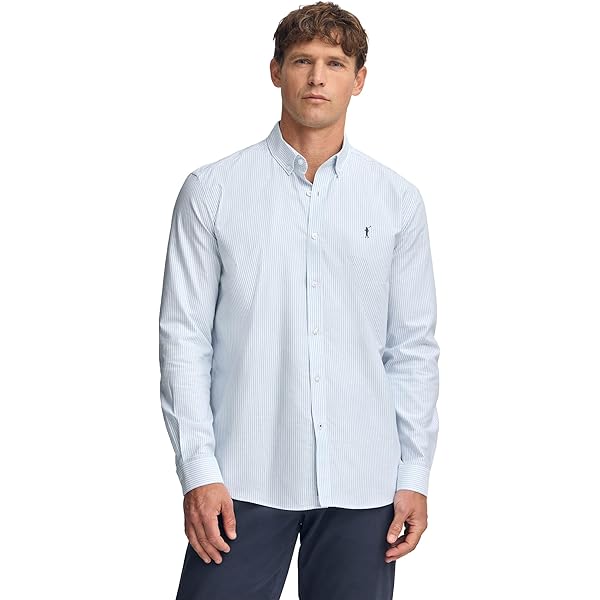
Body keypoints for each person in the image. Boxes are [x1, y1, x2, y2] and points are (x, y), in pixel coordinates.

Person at [158, 2, 440, 598]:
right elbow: (184, 340)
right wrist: (198, 470)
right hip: (242, 477)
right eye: (302, 61)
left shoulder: (397, 201)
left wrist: (414, 473)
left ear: (359, 79)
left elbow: (412, 348)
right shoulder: (212, 192)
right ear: (275, 71)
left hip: (365, 483)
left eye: (335, 63)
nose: (317, 77)